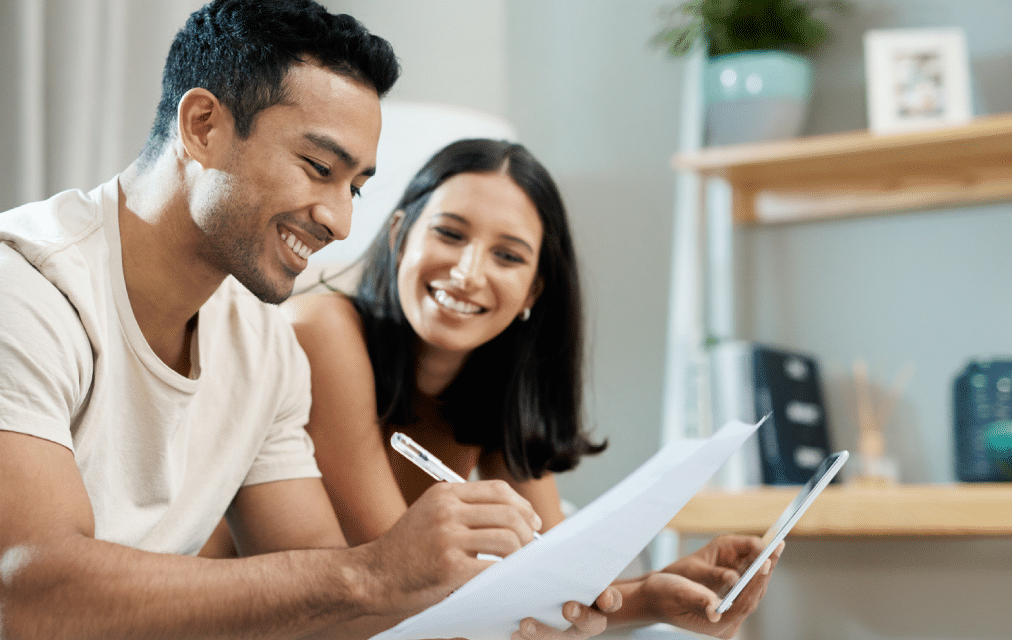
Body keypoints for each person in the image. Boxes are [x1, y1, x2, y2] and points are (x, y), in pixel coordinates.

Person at [0, 3, 616, 639]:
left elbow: (325, 597)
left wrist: (498, 607)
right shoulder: (5, 288)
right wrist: (375, 573)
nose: (340, 219)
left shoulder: (264, 350)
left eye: (355, 185)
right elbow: (31, 596)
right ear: (204, 126)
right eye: (318, 168)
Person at [283, 138, 781, 640]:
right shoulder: (324, 328)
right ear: (399, 235)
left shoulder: (494, 386)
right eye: (450, 234)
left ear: (534, 290)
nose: (468, 273)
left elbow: (556, 578)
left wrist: (653, 593)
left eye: (507, 256)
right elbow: (406, 583)